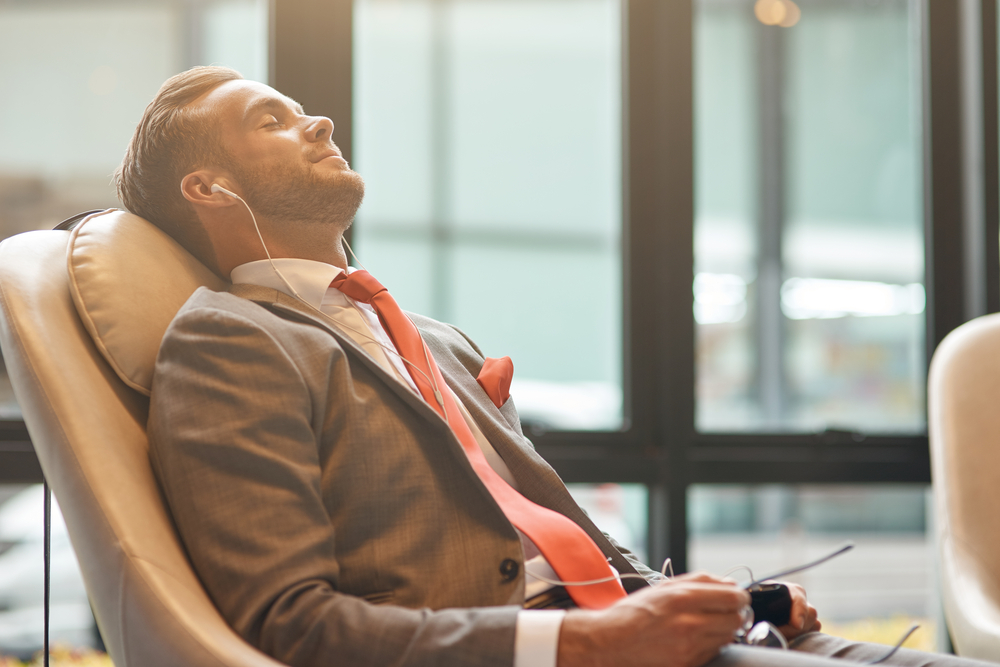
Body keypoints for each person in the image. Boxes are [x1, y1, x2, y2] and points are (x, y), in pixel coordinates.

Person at [117, 66, 992, 667]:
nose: (320, 120)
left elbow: (542, 537)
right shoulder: (230, 341)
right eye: (269, 119)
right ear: (208, 189)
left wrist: (702, 600)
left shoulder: (430, 336)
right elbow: (289, 625)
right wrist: (588, 646)